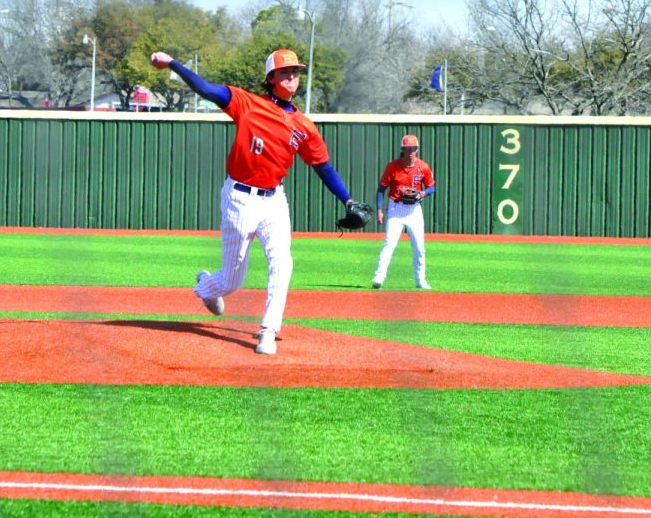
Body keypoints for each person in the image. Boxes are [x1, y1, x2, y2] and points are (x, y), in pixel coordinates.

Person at [149, 48, 359, 356]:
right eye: (285, 72)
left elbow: (323, 167)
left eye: (295, 72)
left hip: (274, 199)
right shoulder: (248, 104)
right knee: (232, 280)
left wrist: (348, 199)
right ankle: (206, 286)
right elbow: (206, 89)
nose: (291, 77)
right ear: (271, 78)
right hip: (239, 197)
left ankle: (268, 330)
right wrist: (173, 64)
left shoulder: (304, 126)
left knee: (282, 263)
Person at [371, 134, 436, 290]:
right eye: (408, 148)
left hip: (414, 209)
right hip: (396, 208)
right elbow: (381, 189)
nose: (411, 151)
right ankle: (379, 276)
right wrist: (379, 210)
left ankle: (420, 279)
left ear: (417, 149)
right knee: (389, 243)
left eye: (413, 148)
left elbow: (432, 187)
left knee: (419, 247)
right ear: (402, 149)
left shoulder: (423, 167)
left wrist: (422, 193)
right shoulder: (392, 167)